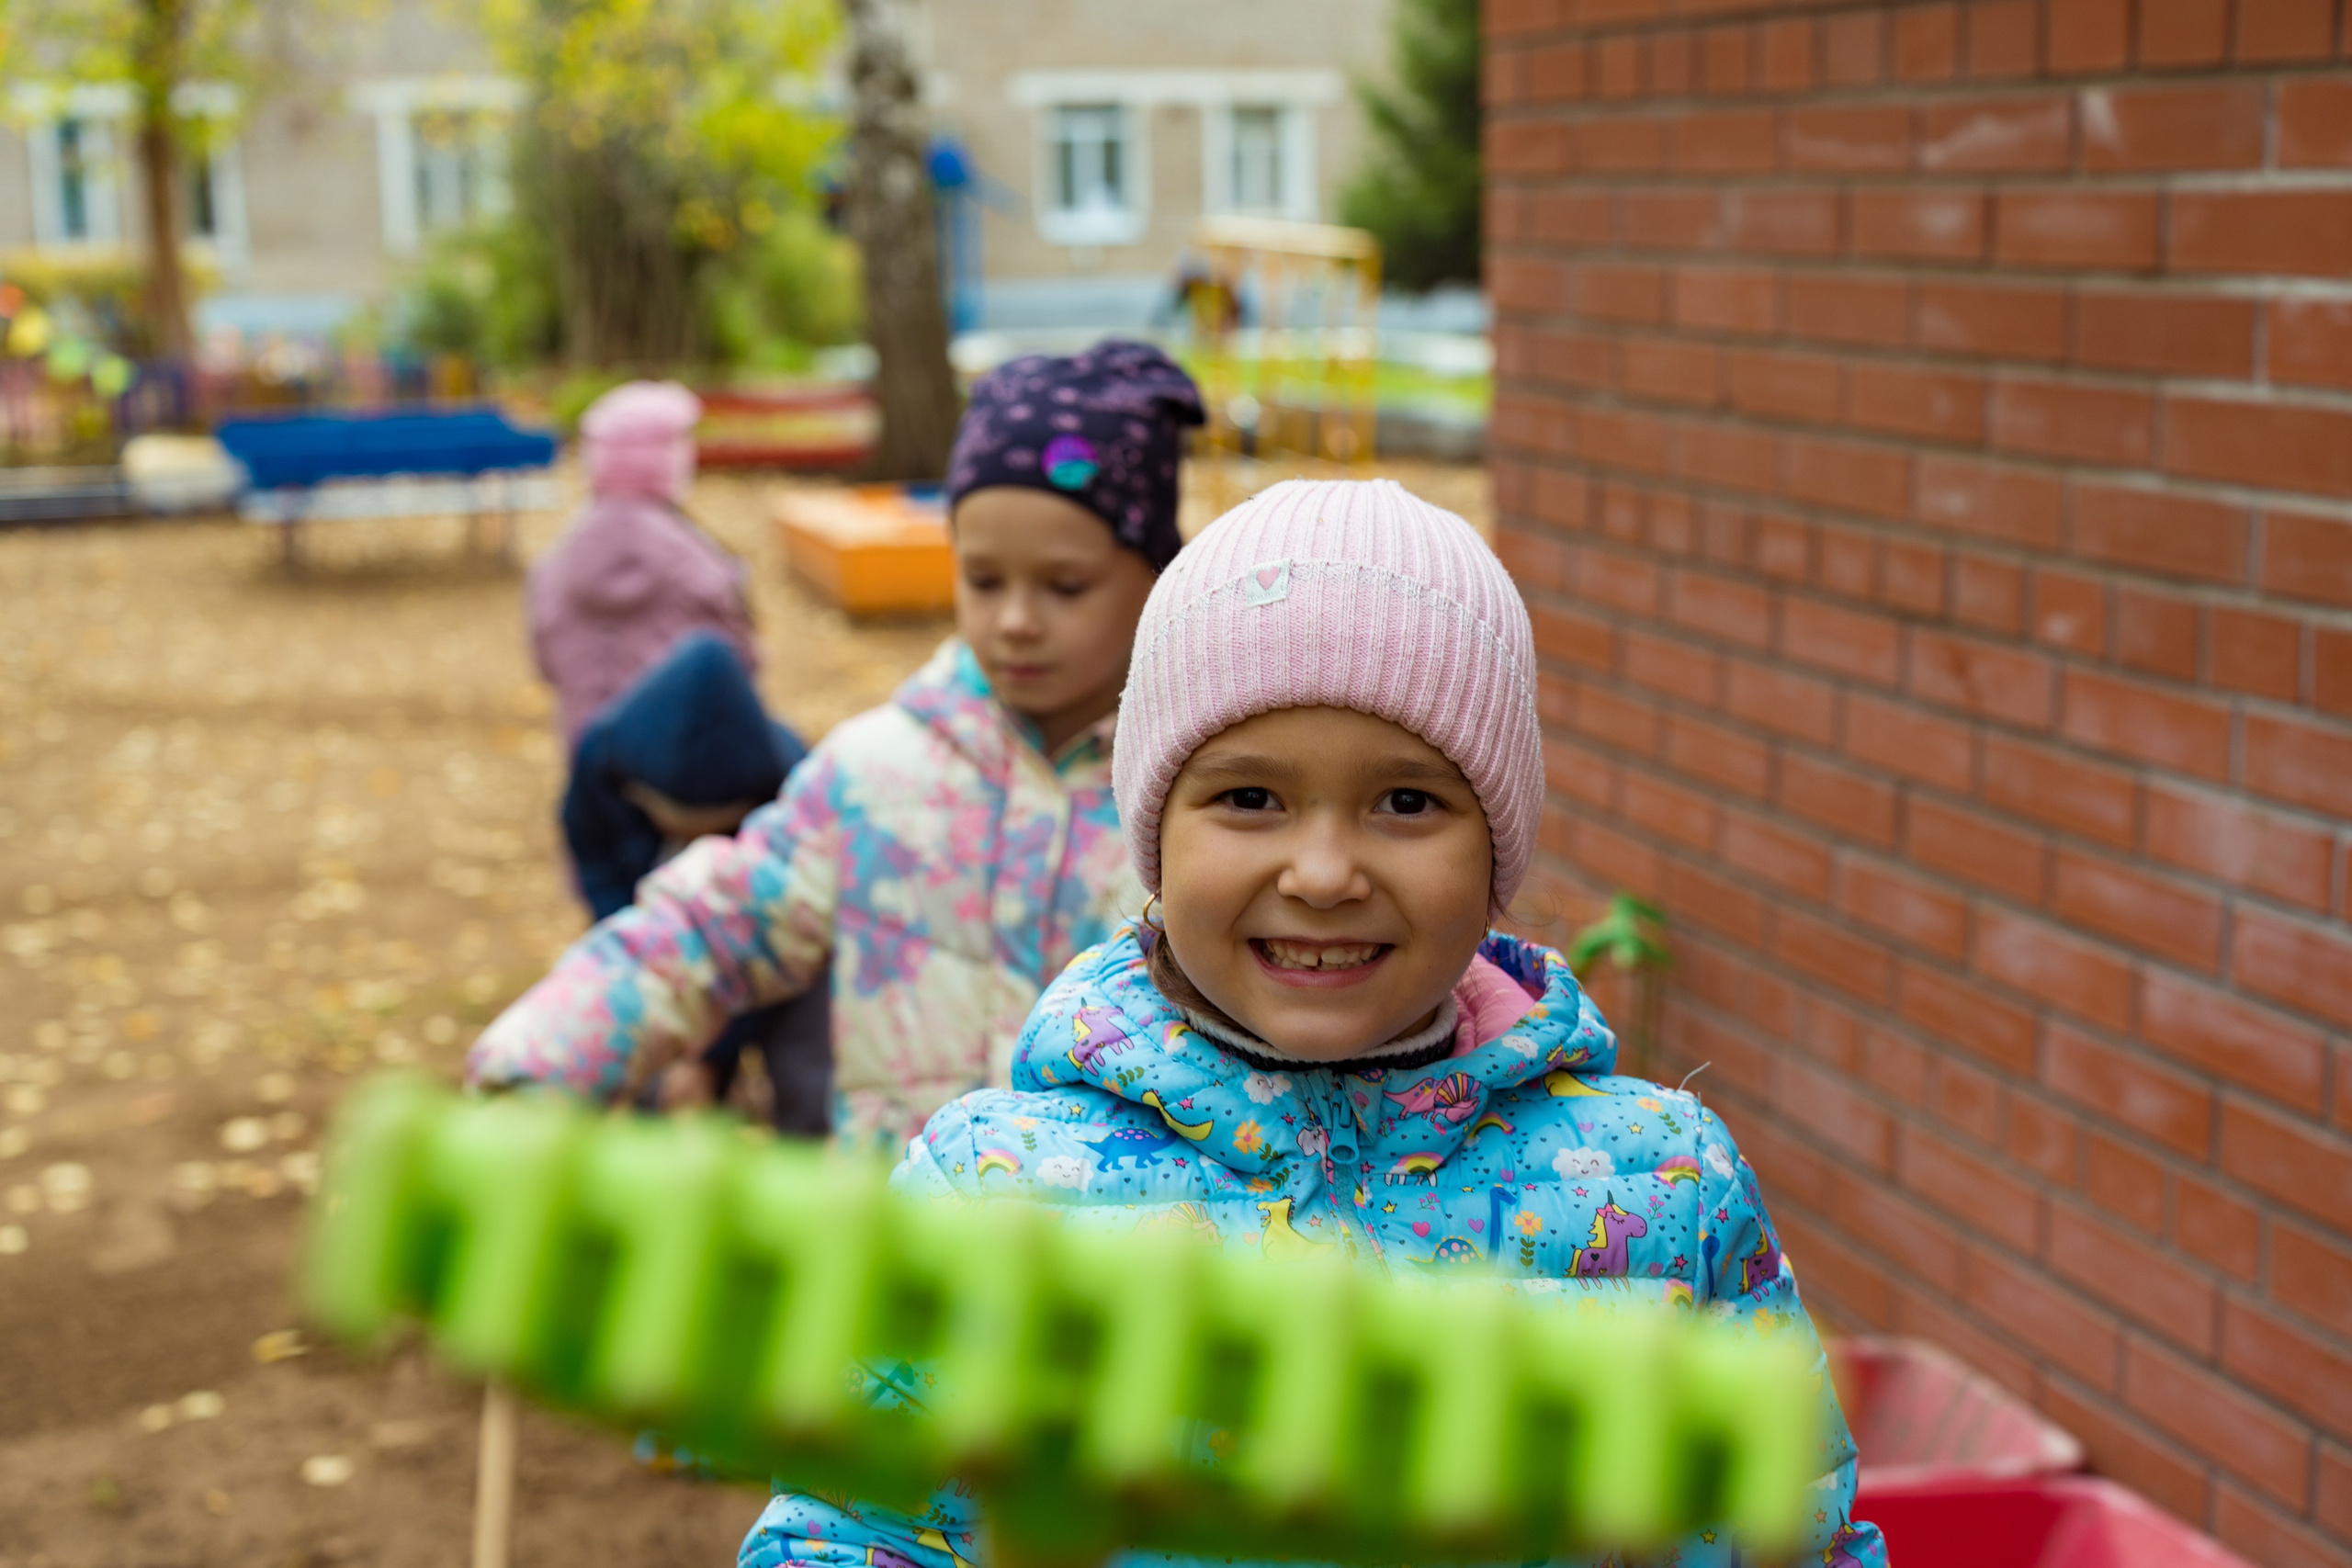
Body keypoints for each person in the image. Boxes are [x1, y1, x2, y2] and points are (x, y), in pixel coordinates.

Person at [737, 479, 1884, 1568]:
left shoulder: (1667, 1194)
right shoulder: (991, 1191)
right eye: (1250, 798)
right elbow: (853, 1530)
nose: (1325, 871)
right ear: (1155, 833)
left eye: (1405, 801)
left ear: (1498, 851)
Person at [468, 341, 1207, 1147]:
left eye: (1065, 586)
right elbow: (710, 927)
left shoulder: (1198, 798)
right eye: (984, 579)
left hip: (1111, 1261)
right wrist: (537, 1061)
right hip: (884, 1249)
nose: (1015, 620)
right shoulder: (874, 774)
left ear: (1157, 573)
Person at [560, 631, 829, 1131]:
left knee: (806, 1064)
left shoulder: (794, 783)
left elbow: (760, 939)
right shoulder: (599, 763)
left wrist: (709, 1054)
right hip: (669, 943)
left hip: (769, 948)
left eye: (714, 829)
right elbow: (604, 882)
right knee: (650, 1064)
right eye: (680, 828)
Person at [527, 379, 756, 750]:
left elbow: (546, 662)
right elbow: (738, 665)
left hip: (589, 759)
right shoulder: (698, 560)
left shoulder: (555, 562)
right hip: (679, 761)